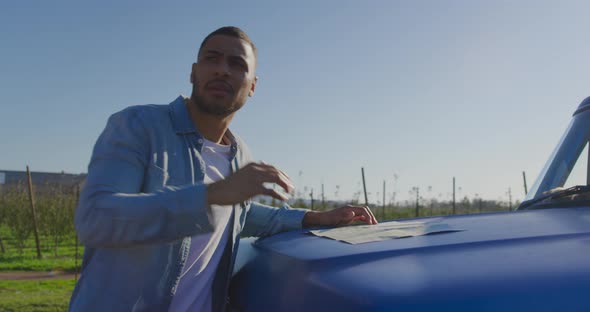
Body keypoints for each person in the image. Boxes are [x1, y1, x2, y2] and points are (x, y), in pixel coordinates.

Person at [68, 26, 377, 312]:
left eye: (237, 64)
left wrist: (317, 218)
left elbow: (239, 213)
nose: (221, 69)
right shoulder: (137, 126)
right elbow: (96, 218)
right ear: (193, 72)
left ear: (253, 86)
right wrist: (212, 194)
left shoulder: (240, 153)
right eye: (211, 59)